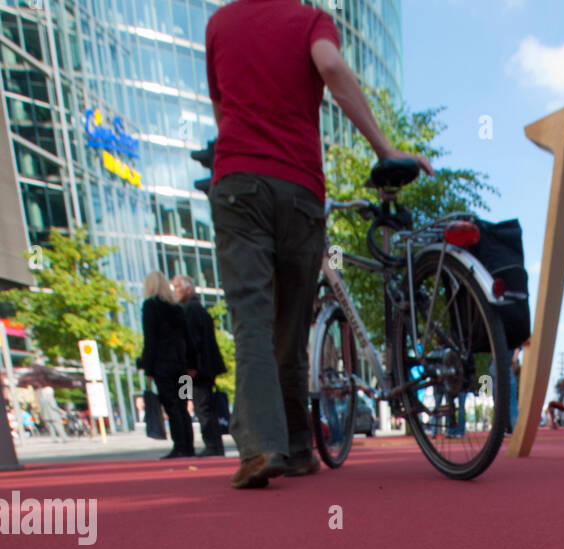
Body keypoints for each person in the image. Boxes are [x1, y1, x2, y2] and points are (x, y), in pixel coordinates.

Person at [205, 0, 432, 489]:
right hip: (299, 187)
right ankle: (300, 447)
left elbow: (223, 109)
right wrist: (384, 148)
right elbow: (330, 65)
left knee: (253, 321)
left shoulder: (219, 25)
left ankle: (264, 446)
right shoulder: (309, 20)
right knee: (290, 324)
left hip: (239, 182)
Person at [137, 270, 195, 458]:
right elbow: (188, 338)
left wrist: (147, 366)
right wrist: (192, 363)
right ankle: (188, 446)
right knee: (182, 403)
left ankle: (180, 445)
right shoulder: (177, 308)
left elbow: (150, 339)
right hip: (182, 365)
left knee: (171, 404)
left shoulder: (151, 307)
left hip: (164, 365)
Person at [172, 275, 227, 456]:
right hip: (199, 369)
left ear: (189, 289)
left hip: (195, 371)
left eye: (178, 287)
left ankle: (211, 445)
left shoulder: (190, 310)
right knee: (199, 406)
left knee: (200, 407)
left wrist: (191, 365)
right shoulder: (197, 310)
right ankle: (212, 445)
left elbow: (192, 341)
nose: (175, 291)